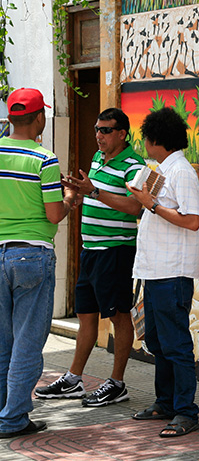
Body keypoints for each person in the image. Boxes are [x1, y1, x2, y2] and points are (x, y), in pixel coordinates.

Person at [36, 108, 145, 408]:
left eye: (106, 130)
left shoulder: (133, 165)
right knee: (86, 314)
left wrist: (93, 191)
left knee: (119, 315)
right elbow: (93, 195)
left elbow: (135, 206)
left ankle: (117, 383)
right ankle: (73, 378)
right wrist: (75, 191)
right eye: (97, 129)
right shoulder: (98, 159)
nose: (99, 135)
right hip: (90, 251)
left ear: (122, 133)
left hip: (115, 251)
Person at [0, 88, 78, 438]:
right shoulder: (44, 159)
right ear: (39, 118)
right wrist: (71, 197)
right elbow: (53, 215)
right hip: (33, 255)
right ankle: (14, 419)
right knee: (28, 344)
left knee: (3, 344)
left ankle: (4, 412)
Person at [127, 107, 199, 438]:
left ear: (156, 139)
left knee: (175, 343)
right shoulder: (161, 170)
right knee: (158, 340)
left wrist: (151, 204)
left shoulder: (181, 173)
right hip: (155, 269)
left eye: (145, 138)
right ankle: (166, 402)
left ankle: (186, 411)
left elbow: (192, 220)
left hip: (172, 271)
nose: (143, 143)